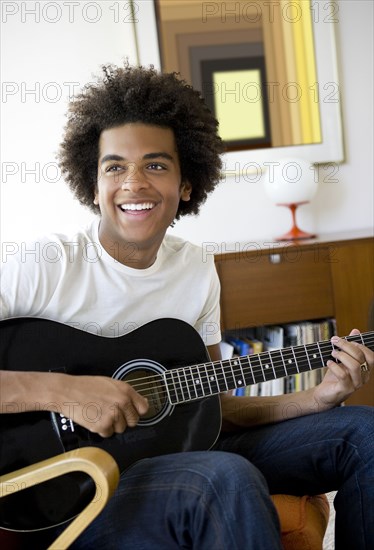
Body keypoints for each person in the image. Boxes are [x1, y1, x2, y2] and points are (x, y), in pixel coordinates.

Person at [1, 63, 373, 550]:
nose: (134, 183)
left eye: (155, 165)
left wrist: (314, 400)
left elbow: (211, 408)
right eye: (115, 166)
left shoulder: (196, 268)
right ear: (92, 187)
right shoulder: (41, 265)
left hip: (178, 453)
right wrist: (63, 393)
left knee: (364, 432)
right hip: (65, 486)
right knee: (225, 477)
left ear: (187, 184)